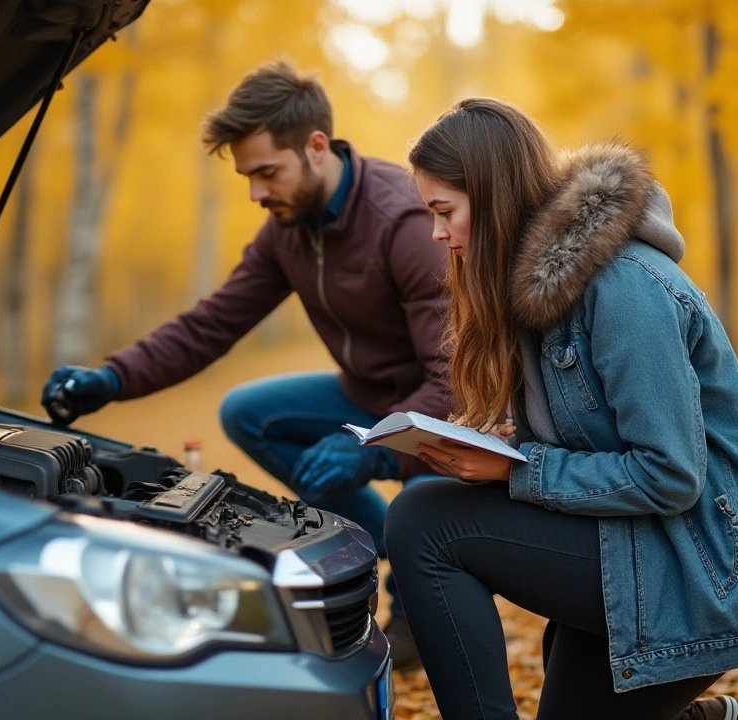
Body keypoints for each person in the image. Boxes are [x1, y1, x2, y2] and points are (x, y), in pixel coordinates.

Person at [385, 98, 738, 719]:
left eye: (445, 211)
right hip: (635, 549)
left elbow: (670, 474)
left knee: (426, 520)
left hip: (700, 570)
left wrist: (517, 467)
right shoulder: (535, 292)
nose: (437, 232)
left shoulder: (625, 288)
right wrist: (497, 442)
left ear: (496, 198)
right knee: (431, 509)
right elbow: (595, 439)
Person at [40, 61, 450, 667]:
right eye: (247, 178)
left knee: (429, 472)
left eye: (267, 173)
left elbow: (456, 384)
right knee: (248, 412)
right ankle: (381, 538)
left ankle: (417, 588)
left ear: (315, 147)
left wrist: (375, 449)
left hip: (440, 406)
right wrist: (112, 378)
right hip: (365, 394)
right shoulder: (285, 230)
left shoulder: (404, 221)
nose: (257, 193)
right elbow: (210, 325)